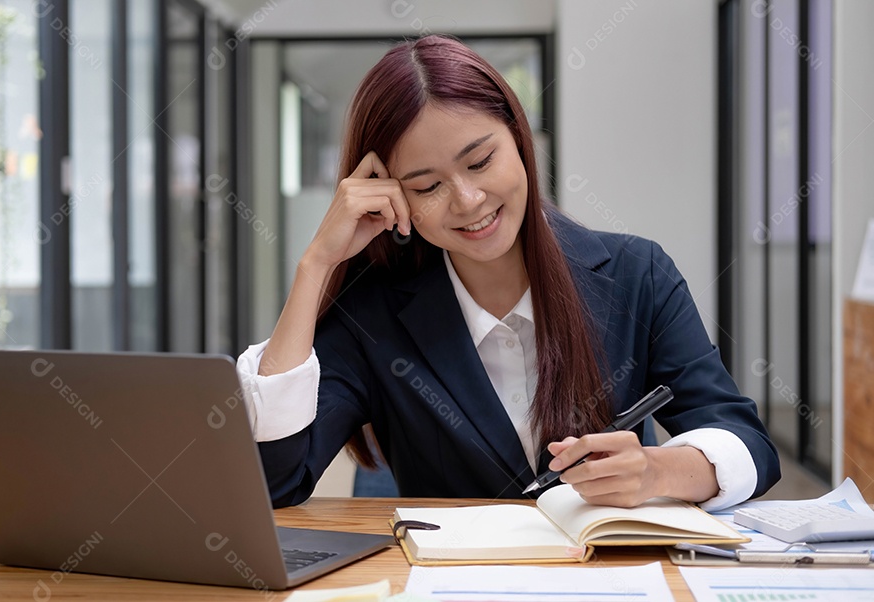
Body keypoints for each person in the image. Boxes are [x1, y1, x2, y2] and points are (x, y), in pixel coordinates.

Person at [235, 35, 780, 511]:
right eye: (427, 187)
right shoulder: (373, 314)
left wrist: (659, 471)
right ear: (392, 198)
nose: (469, 200)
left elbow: (749, 446)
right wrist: (315, 266)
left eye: (479, 162)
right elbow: (273, 484)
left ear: (519, 141)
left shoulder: (639, 275)